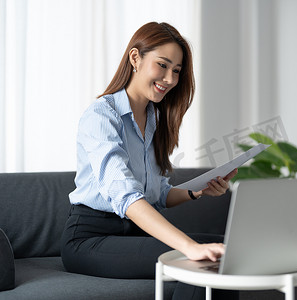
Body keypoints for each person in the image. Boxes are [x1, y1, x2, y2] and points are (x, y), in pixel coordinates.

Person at [60, 22, 238, 299]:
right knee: (199, 261)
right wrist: (189, 247)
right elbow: (127, 196)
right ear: (135, 58)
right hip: (89, 239)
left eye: (176, 71)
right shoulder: (101, 115)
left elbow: (156, 193)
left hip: (133, 235)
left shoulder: (154, 119)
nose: (169, 78)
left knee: (231, 252)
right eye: (162, 65)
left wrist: (196, 191)